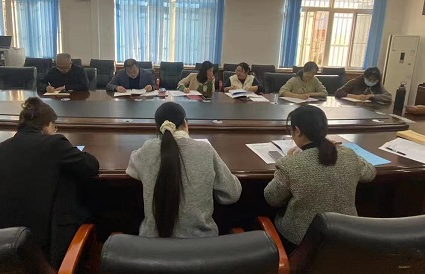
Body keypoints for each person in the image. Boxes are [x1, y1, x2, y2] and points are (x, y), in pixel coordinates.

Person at [0, 97, 99, 268]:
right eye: (54, 127)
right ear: (47, 125)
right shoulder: (54, 143)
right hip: (41, 249)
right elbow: (91, 166)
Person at [264, 105, 376, 254]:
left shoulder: (290, 164)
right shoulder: (348, 155)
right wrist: (343, 151)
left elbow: (271, 197)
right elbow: (370, 173)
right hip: (346, 235)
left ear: (297, 130)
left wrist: (289, 159)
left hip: (301, 239)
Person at [126, 102, 242, 238]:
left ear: (157, 129)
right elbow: (232, 194)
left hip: (153, 246)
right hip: (202, 245)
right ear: (186, 124)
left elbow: (131, 168)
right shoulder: (205, 150)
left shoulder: (148, 149)